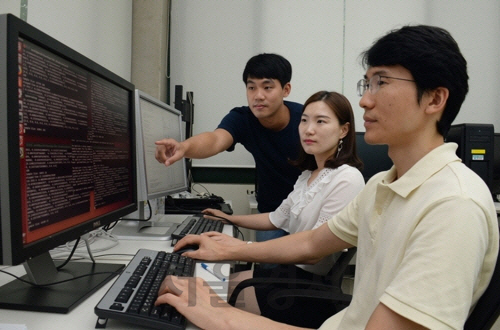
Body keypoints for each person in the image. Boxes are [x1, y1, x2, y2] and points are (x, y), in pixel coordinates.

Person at [156, 25, 500, 330]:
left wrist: (220, 315)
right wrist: (231, 246)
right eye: (366, 83)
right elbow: (309, 242)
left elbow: (307, 254)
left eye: (381, 82)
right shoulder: (382, 185)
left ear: (435, 98)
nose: (364, 100)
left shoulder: (453, 206)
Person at [201, 91, 364, 326]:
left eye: (321, 121)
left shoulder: (347, 179)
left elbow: (313, 251)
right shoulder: (309, 176)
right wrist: (230, 219)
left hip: (304, 291)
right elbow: (276, 219)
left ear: (343, 130)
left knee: (204, 294)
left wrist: (239, 247)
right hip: (288, 277)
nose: (308, 129)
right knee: (208, 282)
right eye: (305, 120)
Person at [155, 53, 302, 243]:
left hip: (306, 211)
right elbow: (215, 140)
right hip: (270, 212)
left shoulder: (306, 120)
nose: (258, 95)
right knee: (268, 268)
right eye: (251, 87)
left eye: (267, 87)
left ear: (286, 89)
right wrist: (184, 147)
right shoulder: (243, 118)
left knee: (308, 268)